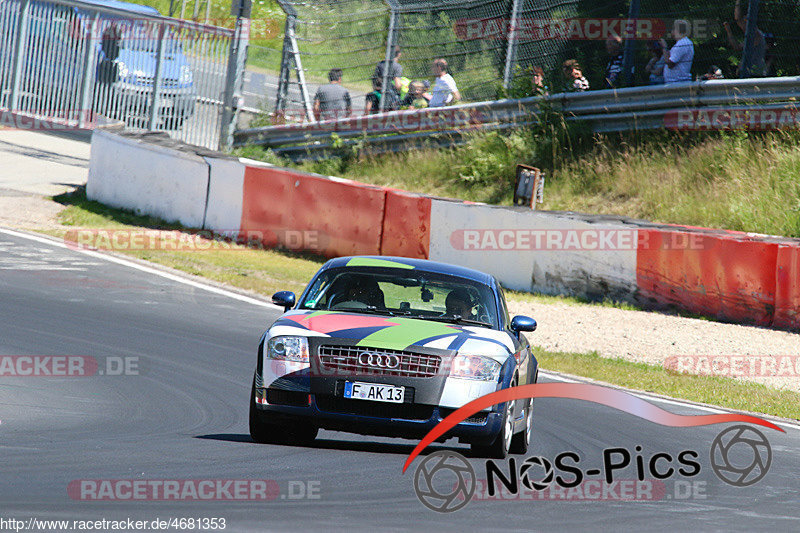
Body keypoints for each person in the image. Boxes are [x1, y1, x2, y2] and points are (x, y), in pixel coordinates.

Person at [723, 0, 767, 77]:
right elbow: (736, 47)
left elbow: (738, 19)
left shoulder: (757, 35)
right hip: (748, 71)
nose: (742, 23)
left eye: (745, 21)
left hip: (755, 73)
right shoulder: (750, 36)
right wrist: (728, 31)